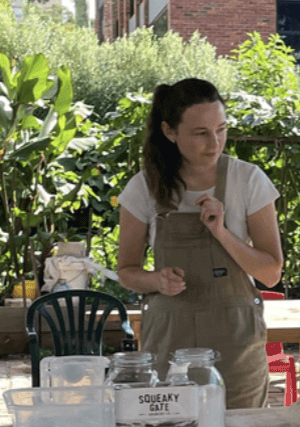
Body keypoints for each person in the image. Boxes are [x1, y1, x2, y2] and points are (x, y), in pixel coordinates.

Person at [116, 78, 284, 409]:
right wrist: (156, 280)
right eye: (200, 133)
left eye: (221, 129)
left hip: (236, 349)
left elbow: (270, 273)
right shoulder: (143, 189)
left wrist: (221, 232)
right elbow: (126, 271)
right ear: (169, 131)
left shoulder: (248, 180)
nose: (214, 142)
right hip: (168, 347)